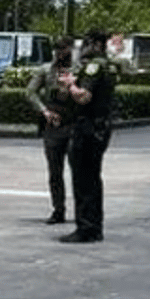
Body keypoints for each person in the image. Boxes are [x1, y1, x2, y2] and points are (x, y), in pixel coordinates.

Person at [59, 29, 117, 243]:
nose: (82, 48)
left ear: (95, 44)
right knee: (93, 178)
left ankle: (86, 228)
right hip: (100, 127)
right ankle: (95, 227)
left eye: (86, 43)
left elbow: (84, 97)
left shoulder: (94, 67)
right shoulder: (108, 66)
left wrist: (71, 85)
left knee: (83, 179)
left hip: (88, 128)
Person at [26, 37, 77, 225]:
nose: (61, 54)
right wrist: (44, 111)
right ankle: (59, 209)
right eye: (58, 50)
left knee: (78, 170)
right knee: (55, 171)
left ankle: (82, 210)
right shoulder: (46, 70)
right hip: (53, 125)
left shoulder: (78, 70)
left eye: (65, 50)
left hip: (74, 125)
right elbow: (30, 92)